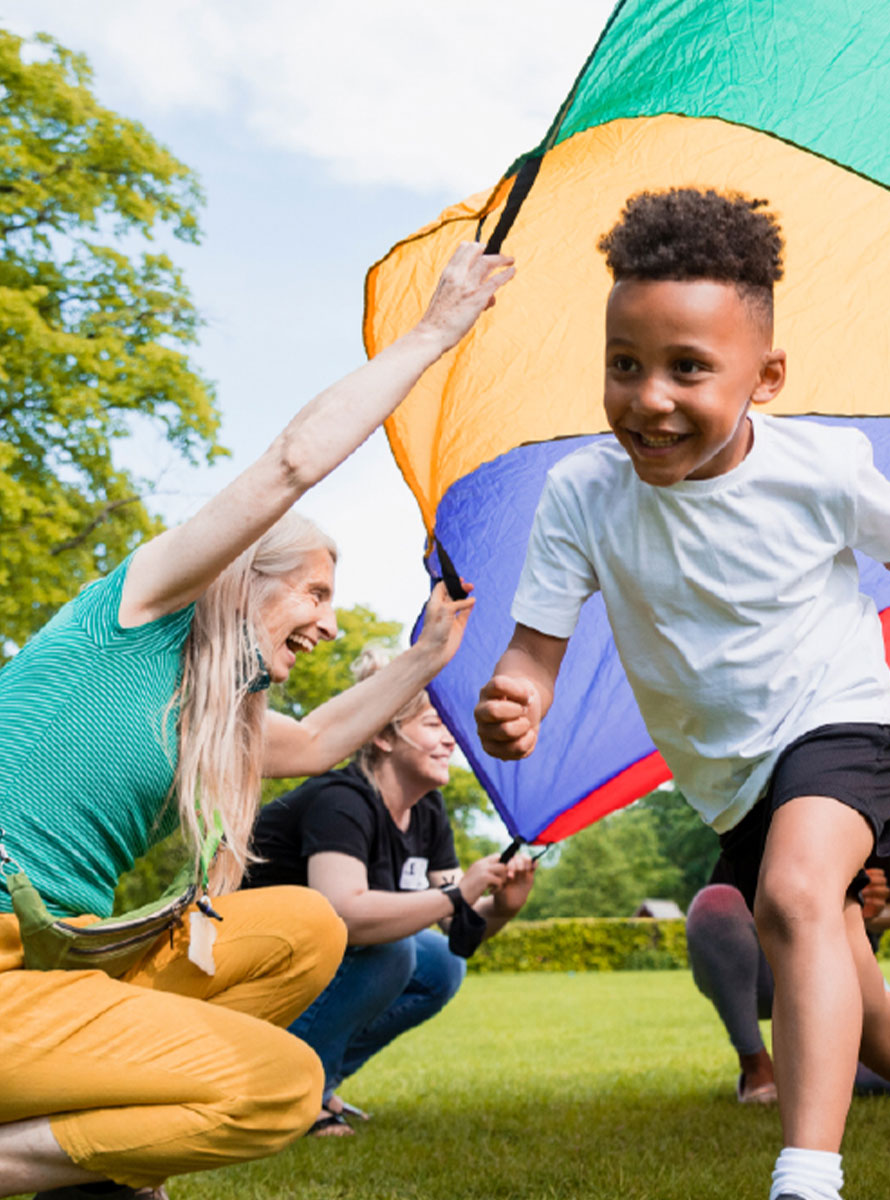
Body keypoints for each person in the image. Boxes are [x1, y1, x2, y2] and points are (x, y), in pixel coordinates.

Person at [473, 188, 890, 1200]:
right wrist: (515, 698)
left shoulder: (822, 467)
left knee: (793, 895)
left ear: (764, 376)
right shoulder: (582, 495)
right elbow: (532, 651)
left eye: (689, 368)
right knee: (846, 985)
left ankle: (807, 1177)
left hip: (837, 718)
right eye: (624, 365)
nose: (650, 397)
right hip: (730, 775)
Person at [0, 242, 511, 1200]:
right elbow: (288, 465)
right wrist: (435, 333)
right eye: (314, 592)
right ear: (243, 581)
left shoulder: (207, 712)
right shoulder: (138, 615)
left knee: (300, 927)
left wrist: (427, 659)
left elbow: (318, 744)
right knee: (281, 1088)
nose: (326, 620)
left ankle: (95, 1151)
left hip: (58, 961)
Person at [246, 650, 537, 1136]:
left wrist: (502, 906)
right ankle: (290, 1093)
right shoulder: (342, 801)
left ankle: (317, 1078)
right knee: (392, 950)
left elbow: (456, 929)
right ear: (382, 735)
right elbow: (344, 913)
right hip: (249, 953)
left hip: (315, 957)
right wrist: (457, 895)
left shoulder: (427, 811)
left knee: (442, 963)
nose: (451, 739)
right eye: (433, 725)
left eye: (450, 726)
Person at [686, 859, 890, 1106]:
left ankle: (813, 1060)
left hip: (843, 971)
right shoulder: (753, 827)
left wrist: (864, 912)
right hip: (772, 964)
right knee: (713, 904)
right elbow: (722, 921)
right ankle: (756, 1067)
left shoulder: (880, 833)